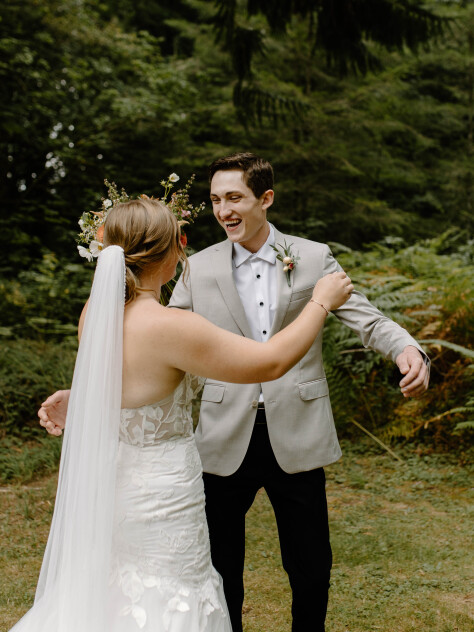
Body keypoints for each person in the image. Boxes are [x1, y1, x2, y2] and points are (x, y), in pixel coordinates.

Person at [39, 153, 429, 632]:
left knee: (311, 564)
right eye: (215, 200)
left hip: (297, 429)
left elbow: (365, 316)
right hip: (222, 435)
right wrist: (90, 391)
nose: (223, 210)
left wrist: (406, 347)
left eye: (233, 198)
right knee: (219, 564)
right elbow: (149, 344)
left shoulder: (312, 256)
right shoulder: (197, 268)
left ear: (265, 198)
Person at [16, 195, 352, 632]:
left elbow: (124, 382)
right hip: (164, 492)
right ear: (169, 252)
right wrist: (321, 302)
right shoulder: (170, 326)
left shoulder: (95, 314)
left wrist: (78, 396)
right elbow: (269, 363)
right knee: (171, 594)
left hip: (116, 485)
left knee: (118, 588)